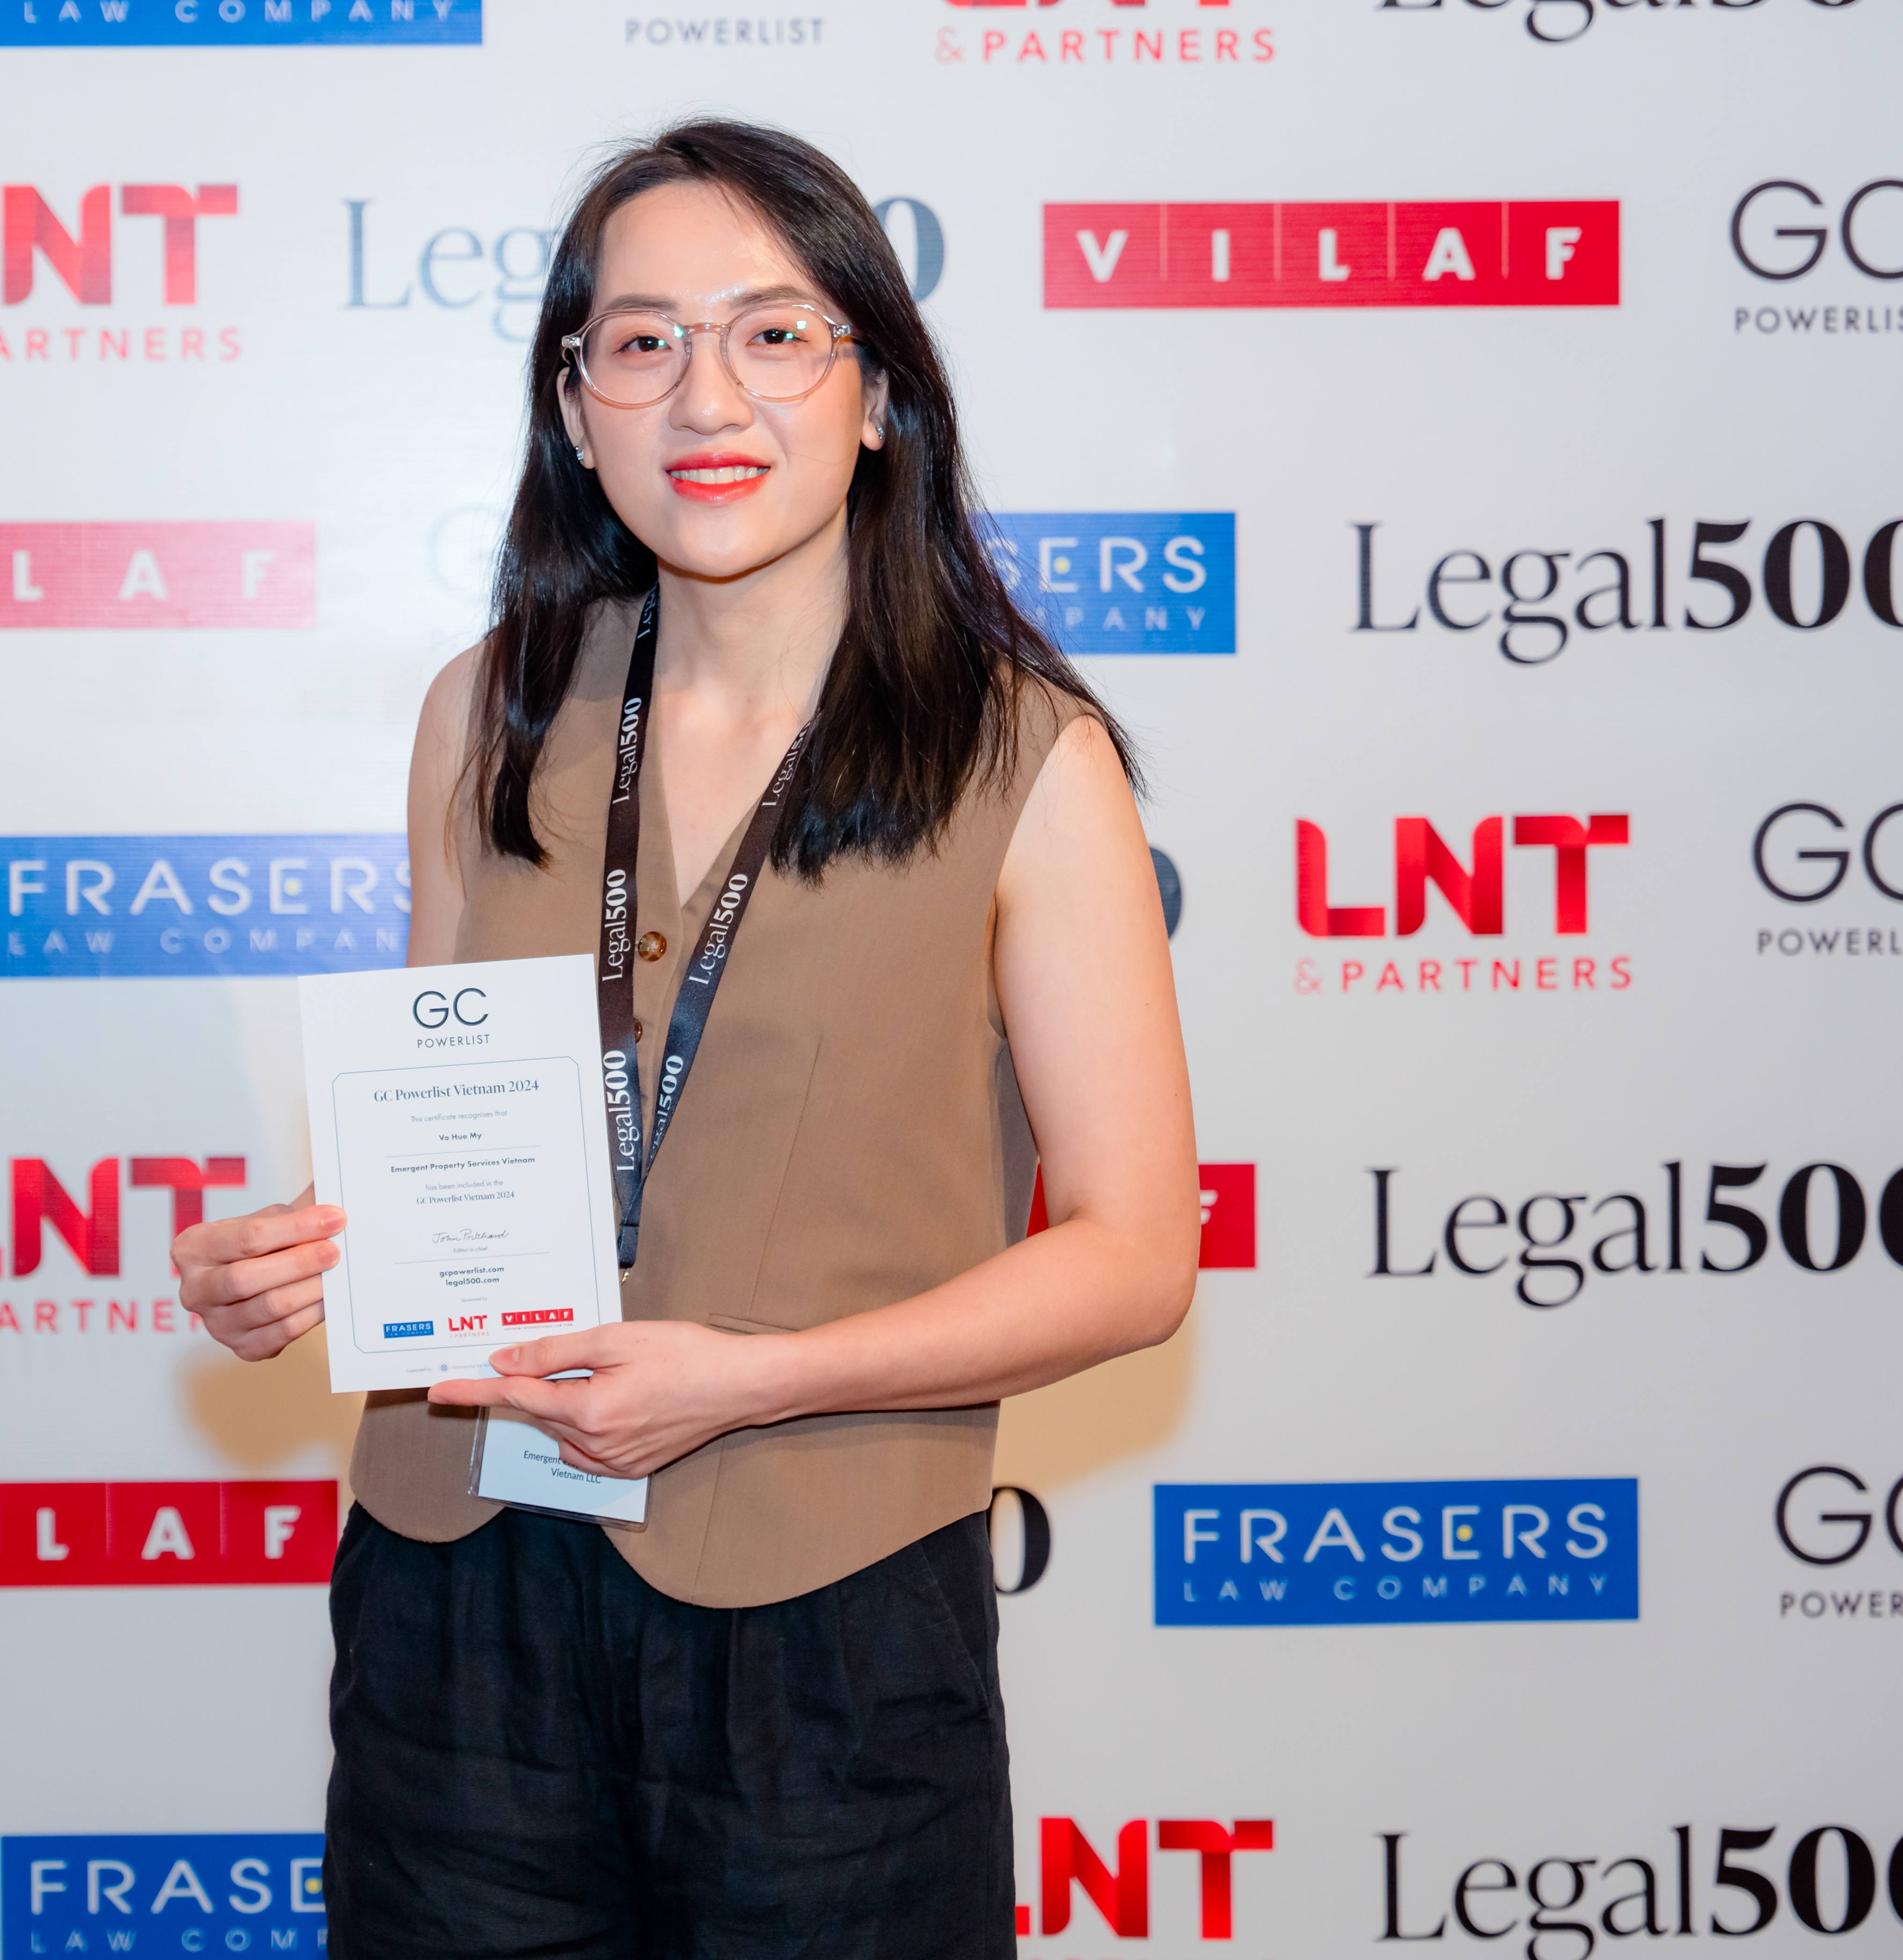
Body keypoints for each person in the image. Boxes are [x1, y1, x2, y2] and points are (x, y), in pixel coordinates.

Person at [172, 118, 1199, 1959]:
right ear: (577, 410)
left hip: (828, 1624)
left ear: (878, 391)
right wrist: (297, 1258)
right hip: (459, 1592)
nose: (705, 396)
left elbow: (1137, 1257)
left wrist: (758, 1377)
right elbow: (442, 1124)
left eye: (773, 333)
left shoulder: (1026, 759)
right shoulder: (484, 710)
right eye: (641, 342)